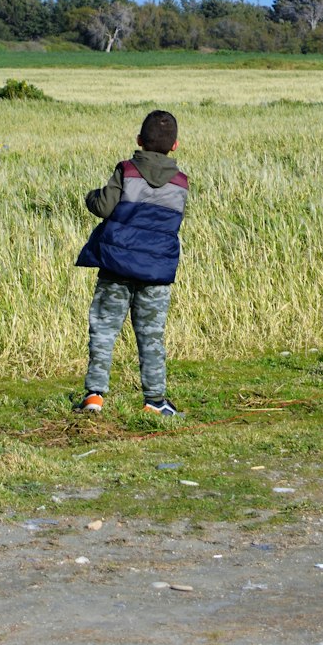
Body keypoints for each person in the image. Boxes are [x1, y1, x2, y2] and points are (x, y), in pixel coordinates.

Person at [75, 109, 188, 417]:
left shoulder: (127, 170)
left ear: (139, 140)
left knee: (104, 329)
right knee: (152, 336)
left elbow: (103, 206)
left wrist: (90, 196)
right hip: (157, 272)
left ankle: (94, 396)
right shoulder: (181, 183)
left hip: (116, 266)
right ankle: (155, 400)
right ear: (175, 145)